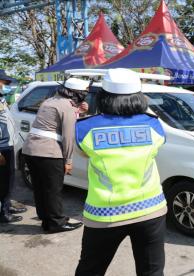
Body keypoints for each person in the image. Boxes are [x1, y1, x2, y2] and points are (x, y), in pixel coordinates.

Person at [75, 68, 166, 276]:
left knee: (91, 270)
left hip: (105, 214)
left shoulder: (85, 128)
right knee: (152, 271)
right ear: (140, 97)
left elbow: (83, 154)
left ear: (103, 96)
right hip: (150, 209)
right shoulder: (153, 124)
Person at [22, 78, 88, 233]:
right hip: (48, 152)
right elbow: (68, 136)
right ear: (77, 94)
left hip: (30, 150)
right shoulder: (67, 106)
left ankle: (46, 218)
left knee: (40, 187)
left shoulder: (51, 100)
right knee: (53, 189)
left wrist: (78, 111)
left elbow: (55, 119)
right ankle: (56, 223)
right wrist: (69, 160)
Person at [0, 70, 27, 223]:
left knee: (9, 179)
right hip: (1, 147)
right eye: (4, 83)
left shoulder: (1, 99)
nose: (6, 86)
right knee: (3, 181)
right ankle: (3, 213)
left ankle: (7, 205)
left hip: (7, 144)